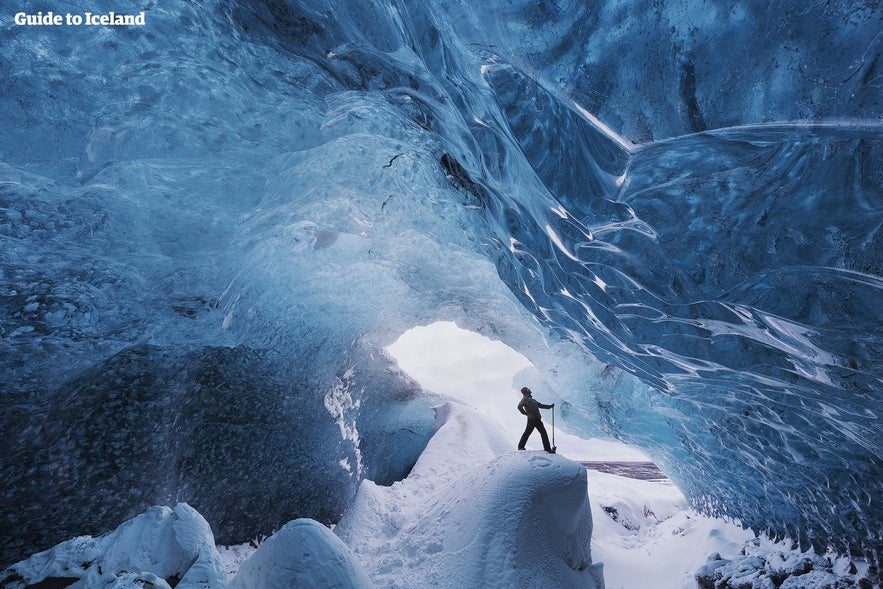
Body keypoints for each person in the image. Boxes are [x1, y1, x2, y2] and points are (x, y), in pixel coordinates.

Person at [516, 386, 555, 453]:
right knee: (541, 433)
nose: (529, 390)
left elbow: (540, 405)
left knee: (529, 433)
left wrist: (550, 406)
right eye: (528, 389)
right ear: (526, 391)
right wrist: (526, 414)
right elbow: (519, 406)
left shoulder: (532, 400)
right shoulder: (525, 399)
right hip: (532, 419)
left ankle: (521, 447)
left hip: (536, 419)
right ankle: (547, 449)